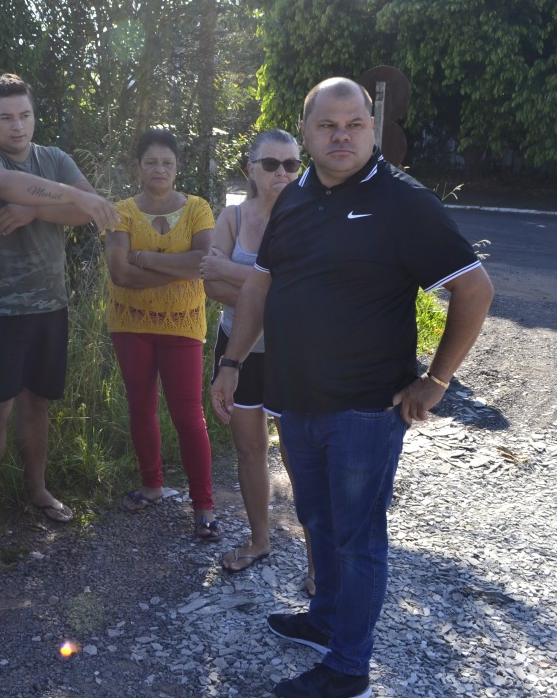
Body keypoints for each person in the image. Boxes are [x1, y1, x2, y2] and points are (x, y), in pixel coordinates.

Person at [210, 77, 494, 698]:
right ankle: (327, 620)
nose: (341, 136)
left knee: (357, 535)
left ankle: (348, 669)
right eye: (327, 125)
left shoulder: (403, 202)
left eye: (354, 124)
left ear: (373, 128)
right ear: (306, 130)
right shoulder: (295, 196)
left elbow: (474, 290)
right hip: (297, 397)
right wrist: (231, 362)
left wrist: (436, 380)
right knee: (316, 516)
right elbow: (259, 285)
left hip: (367, 408)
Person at [0, 73, 119, 539]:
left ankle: (37, 489)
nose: (17, 125)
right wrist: (69, 197)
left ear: (33, 117)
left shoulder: (54, 159)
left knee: (38, 404)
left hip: (51, 304)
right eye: (6, 117)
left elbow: (88, 212)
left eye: (24, 115)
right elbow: (2, 183)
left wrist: (34, 209)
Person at [201, 129, 315, 584]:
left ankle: (315, 563)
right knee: (249, 452)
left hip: (294, 356)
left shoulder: (309, 217)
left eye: (291, 164)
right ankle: (259, 540)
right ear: (251, 169)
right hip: (236, 351)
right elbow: (210, 284)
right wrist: (269, 287)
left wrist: (237, 275)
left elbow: (299, 290)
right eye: (271, 164)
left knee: (300, 457)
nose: (282, 173)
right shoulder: (231, 216)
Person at [104, 128, 219, 540]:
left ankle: (203, 506)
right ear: (138, 167)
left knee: (189, 416)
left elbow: (203, 261)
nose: (159, 169)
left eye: (167, 163)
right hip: (130, 323)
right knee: (141, 407)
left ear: (177, 167)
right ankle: (152, 486)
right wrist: (175, 267)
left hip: (184, 322)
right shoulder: (121, 211)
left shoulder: (197, 208)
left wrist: (145, 258)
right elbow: (119, 273)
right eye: (151, 161)